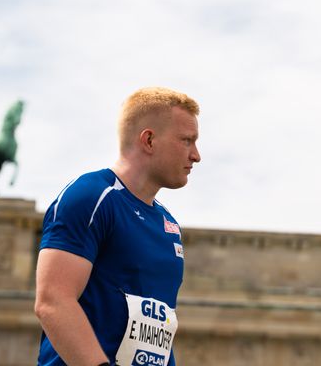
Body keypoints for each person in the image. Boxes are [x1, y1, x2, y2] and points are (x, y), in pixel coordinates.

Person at [34, 87, 201, 366]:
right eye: (186, 141)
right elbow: (53, 301)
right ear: (149, 140)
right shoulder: (90, 197)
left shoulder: (169, 224)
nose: (196, 155)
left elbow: (157, 331)